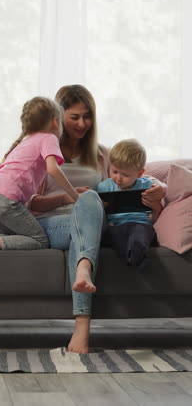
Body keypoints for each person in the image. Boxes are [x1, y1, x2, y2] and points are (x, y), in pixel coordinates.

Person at [28, 84, 166, 353]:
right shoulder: (43, 151)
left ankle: (83, 268)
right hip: (55, 224)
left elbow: (136, 175)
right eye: (75, 117)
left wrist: (161, 189)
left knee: (91, 201)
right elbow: (29, 202)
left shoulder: (102, 154)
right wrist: (67, 197)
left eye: (87, 116)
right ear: (59, 117)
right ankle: (82, 326)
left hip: (94, 225)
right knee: (88, 199)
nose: (83, 123)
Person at [0, 96, 81, 269]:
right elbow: (52, 169)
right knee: (39, 240)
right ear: (55, 122)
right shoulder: (48, 138)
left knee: (18, 234)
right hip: (4, 199)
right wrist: (75, 196)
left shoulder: (26, 141)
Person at [97, 138, 162, 270]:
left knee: (140, 235)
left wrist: (156, 208)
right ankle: (135, 259)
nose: (118, 178)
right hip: (115, 226)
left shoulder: (148, 186)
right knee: (111, 235)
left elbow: (153, 218)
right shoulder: (103, 187)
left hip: (140, 224)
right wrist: (101, 210)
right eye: (114, 171)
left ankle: (136, 255)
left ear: (140, 173)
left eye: (125, 175)